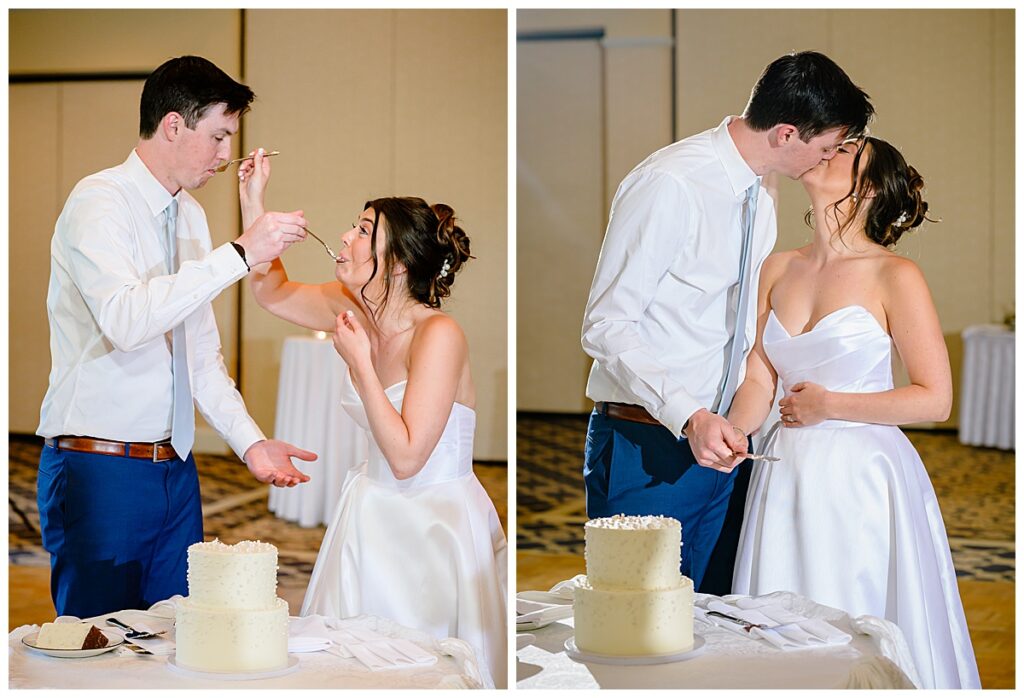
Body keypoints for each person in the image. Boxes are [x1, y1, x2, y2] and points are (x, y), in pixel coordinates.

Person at [580, 51, 874, 594]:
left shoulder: (762, 188)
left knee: (715, 620)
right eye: (827, 145)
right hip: (651, 444)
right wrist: (690, 416)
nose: (831, 156)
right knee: (637, 617)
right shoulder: (670, 182)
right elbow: (606, 324)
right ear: (787, 133)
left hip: (728, 444)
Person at [36, 56, 316, 619]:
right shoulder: (100, 201)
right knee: (97, 646)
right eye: (217, 136)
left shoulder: (189, 214)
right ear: (173, 125)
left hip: (176, 472)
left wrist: (250, 442)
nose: (223, 154)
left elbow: (200, 356)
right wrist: (239, 254)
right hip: (100, 466)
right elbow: (126, 321)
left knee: (175, 638)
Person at [237, 151, 507, 688]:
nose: (345, 236)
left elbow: (407, 458)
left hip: (434, 529)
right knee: (349, 671)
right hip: (369, 515)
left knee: (427, 673)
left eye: (363, 230)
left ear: (399, 262)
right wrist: (253, 204)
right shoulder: (352, 306)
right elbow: (271, 291)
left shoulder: (439, 335)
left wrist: (360, 364)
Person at [728, 136, 980, 689]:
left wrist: (829, 404)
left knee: (855, 615)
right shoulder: (776, 267)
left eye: (845, 151)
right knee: (781, 621)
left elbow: (935, 398)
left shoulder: (896, 275)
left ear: (866, 187)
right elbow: (759, 376)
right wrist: (734, 430)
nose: (827, 150)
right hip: (785, 470)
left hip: (863, 476)